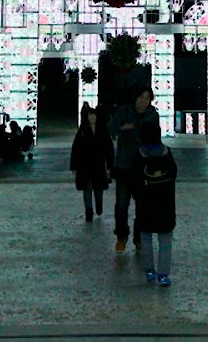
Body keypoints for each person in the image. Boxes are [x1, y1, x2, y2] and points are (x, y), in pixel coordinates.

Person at [107, 84, 159, 253]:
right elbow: (111, 129)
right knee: (122, 204)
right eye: (141, 97)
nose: (144, 101)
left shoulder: (152, 115)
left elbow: (154, 137)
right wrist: (122, 128)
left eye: (147, 98)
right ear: (135, 98)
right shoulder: (124, 112)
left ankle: (139, 239)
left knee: (143, 206)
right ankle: (121, 236)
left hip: (144, 166)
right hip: (124, 165)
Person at [136, 119, 178, 287]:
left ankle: (149, 270)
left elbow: (134, 178)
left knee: (146, 237)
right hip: (165, 204)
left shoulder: (139, 154)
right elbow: (173, 174)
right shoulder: (167, 152)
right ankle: (163, 274)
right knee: (165, 240)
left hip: (145, 204)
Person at [70, 107, 114, 222]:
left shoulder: (103, 130)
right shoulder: (83, 130)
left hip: (99, 165)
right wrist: (74, 166)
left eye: (94, 114)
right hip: (84, 165)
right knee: (87, 188)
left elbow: (109, 148)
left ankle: (99, 206)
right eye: (90, 115)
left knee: (99, 189)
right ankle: (88, 211)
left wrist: (110, 165)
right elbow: (76, 148)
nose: (92, 117)